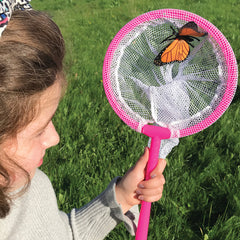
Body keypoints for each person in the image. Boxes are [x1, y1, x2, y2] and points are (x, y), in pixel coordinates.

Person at [0, 1, 167, 239]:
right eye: (38, 130)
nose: (54, 138)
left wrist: (121, 197)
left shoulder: (32, 184)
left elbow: (62, 234)